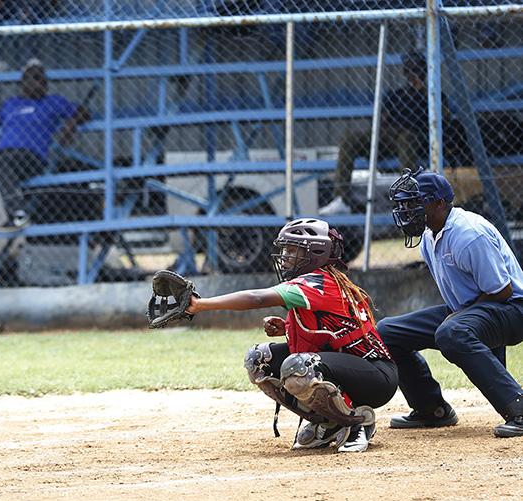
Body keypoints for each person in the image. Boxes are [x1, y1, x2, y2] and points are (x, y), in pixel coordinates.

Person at [185, 218, 398, 452]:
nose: (285, 256)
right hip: (349, 366)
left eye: (293, 250)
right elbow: (330, 334)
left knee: (299, 365)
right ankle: (329, 422)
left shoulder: (318, 282)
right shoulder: (315, 280)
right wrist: (287, 328)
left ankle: (357, 422)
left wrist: (200, 305)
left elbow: (257, 298)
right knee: (259, 359)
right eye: (285, 249)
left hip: (375, 376)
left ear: (316, 253)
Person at [377, 168, 523, 437]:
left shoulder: (469, 234)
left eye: (414, 203)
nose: (407, 211)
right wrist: (462, 317)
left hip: (513, 308)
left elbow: (502, 291)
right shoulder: (429, 236)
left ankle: (520, 409)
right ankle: (431, 409)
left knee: (451, 332)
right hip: (472, 309)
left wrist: (461, 320)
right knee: (386, 331)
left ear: (439, 203)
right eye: (405, 204)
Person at [0, 60, 91, 230]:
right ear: (24, 82)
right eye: (36, 78)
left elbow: (84, 112)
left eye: (44, 80)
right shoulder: (11, 104)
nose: (42, 83)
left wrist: (72, 122)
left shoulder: (53, 101)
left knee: (1, 163)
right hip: (3, 159)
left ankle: (18, 215)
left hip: (31, 159)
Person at [321, 51, 450, 215]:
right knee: (350, 139)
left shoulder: (434, 96)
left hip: (416, 139)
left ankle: (407, 199)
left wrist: (423, 91)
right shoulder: (396, 95)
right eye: (409, 71)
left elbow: (443, 120)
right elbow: (382, 119)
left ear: (424, 72)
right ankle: (341, 199)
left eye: (416, 70)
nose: (413, 75)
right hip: (389, 137)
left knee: (406, 138)